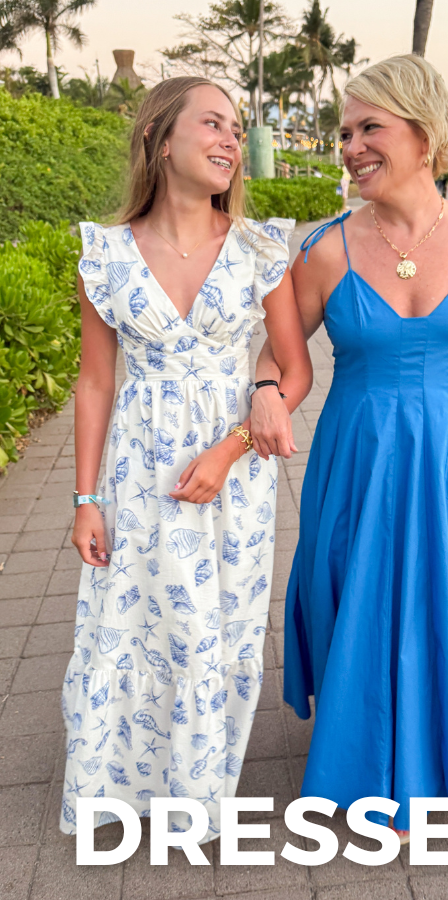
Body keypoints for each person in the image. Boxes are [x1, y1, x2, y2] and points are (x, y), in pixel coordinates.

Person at [253, 54, 448, 839]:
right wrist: (263, 392)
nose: (350, 147)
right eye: (345, 132)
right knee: (359, 596)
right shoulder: (325, 249)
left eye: (368, 128)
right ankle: (363, 759)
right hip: (360, 461)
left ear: (423, 133)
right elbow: (279, 354)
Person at [62, 75, 312, 840]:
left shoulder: (259, 248)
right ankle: (119, 784)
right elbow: (95, 383)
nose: (231, 138)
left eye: (236, 127)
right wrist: (85, 500)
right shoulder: (106, 255)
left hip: (232, 476)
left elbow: (295, 369)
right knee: (130, 623)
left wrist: (233, 445)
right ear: (160, 138)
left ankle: (196, 796)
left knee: (215, 628)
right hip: (138, 472)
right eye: (213, 123)